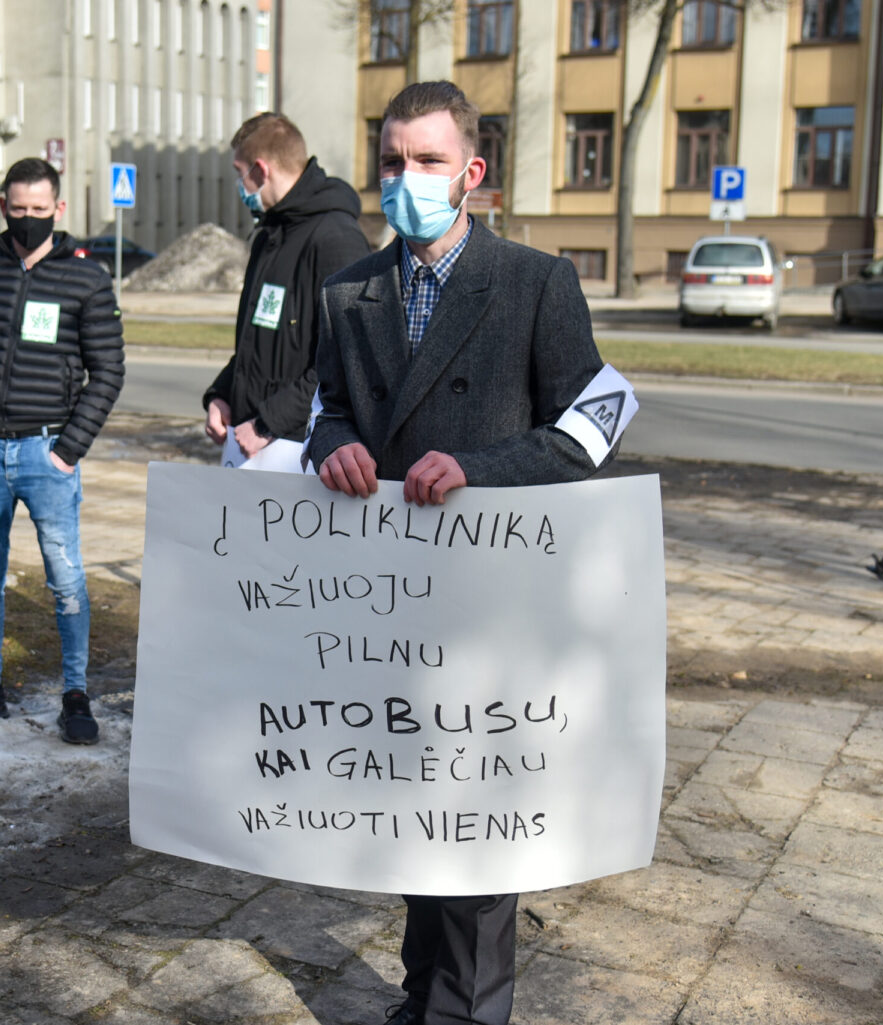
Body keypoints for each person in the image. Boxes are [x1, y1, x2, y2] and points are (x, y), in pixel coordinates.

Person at [307, 81, 613, 1025]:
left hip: (493, 596)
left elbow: (597, 423)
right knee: (410, 803)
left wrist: (481, 468)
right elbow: (327, 408)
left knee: (474, 813)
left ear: (472, 173)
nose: (407, 179)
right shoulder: (350, 289)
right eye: (393, 161)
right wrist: (333, 447)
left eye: (428, 161)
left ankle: (467, 1011)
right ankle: (420, 994)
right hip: (387, 602)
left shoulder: (535, 282)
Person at [0, 158, 124, 744]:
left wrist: (69, 449)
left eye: (41, 210)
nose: (30, 219)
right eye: (19, 210)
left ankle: (75, 693)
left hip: (47, 453)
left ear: (58, 210)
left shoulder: (86, 278)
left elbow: (108, 371)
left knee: (65, 577)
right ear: (3, 208)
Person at [204, 113, 369, 469]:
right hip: (249, 447)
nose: (240, 184)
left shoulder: (335, 238)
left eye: (240, 172)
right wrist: (221, 395)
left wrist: (268, 423)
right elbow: (256, 345)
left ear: (261, 171)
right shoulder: (269, 235)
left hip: (295, 454)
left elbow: (344, 358)